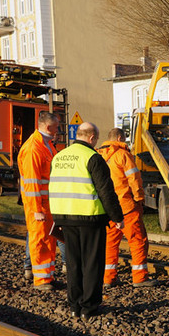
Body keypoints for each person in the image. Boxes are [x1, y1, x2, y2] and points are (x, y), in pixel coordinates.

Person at [49, 122, 124, 321]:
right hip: (90, 218)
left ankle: (74, 305)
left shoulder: (59, 157)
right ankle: (88, 307)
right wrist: (117, 217)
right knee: (92, 263)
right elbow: (106, 192)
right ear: (92, 138)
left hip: (65, 217)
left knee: (73, 263)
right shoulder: (93, 158)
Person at [97, 128, 156, 288]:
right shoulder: (123, 155)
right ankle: (139, 278)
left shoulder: (99, 155)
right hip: (126, 206)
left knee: (110, 243)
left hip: (107, 207)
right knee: (137, 241)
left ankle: (108, 278)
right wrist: (139, 198)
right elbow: (134, 178)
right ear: (119, 138)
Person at [18, 111, 60, 290]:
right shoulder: (34, 148)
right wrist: (37, 209)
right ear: (48, 127)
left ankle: (47, 276)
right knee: (39, 239)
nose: (58, 130)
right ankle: (41, 280)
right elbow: (32, 182)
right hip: (39, 204)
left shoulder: (46, 145)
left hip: (46, 203)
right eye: (57, 127)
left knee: (48, 239)